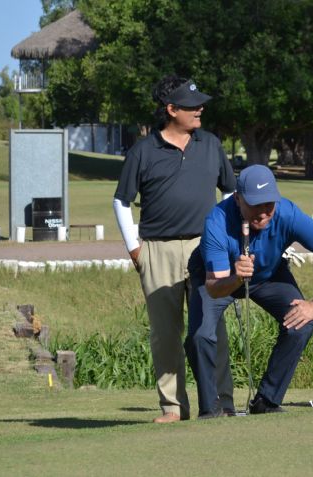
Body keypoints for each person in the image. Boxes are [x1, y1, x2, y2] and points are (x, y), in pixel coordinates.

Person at [113, 75, 237, 423]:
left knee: (211, 329)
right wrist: (134, 248)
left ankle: (221, 401)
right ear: (171, 109)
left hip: (207, 247)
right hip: (157, 250)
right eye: (191, 105)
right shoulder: (143, 151)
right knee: (165, 333)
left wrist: (226, 238)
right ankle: (172, 407)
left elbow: (229, 191)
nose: (200, 110)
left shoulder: (211, 144)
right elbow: (122, 201)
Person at [189, 165, 313, 416]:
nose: (263, 212)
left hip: (268, 275)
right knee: (200, 336)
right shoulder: (216, 221)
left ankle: (266, 401)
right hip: (220, 280)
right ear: (238, 199)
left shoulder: (287, 213)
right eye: (255, 204)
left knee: (301, 323)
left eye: (268, 204)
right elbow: (214, 288)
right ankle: (211, 408)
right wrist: (237, 277)